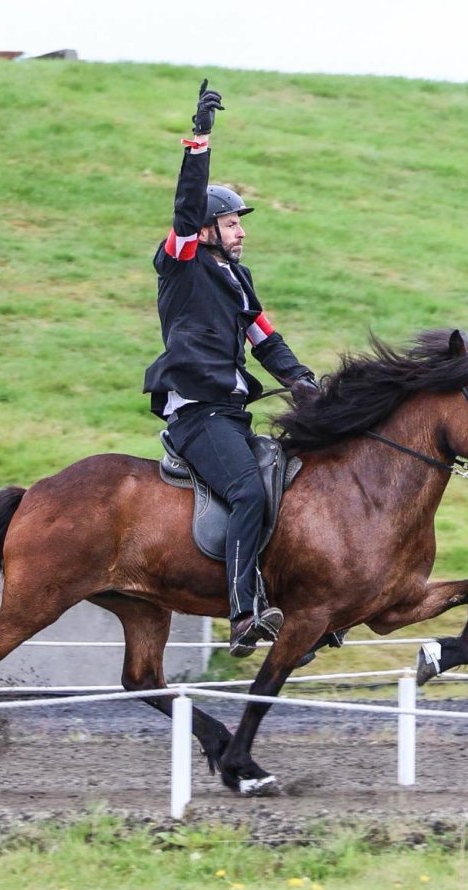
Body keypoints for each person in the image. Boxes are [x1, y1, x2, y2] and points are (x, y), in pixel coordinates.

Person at [144, 80, 318, 658]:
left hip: (232, 413)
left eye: (243, 223)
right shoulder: (183, 262)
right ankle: (243, 616)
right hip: (197, 413)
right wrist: (199, 142)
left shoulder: (238, 279)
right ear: (211, 230)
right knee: (248, 494)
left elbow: (267, 340)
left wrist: (301, 380)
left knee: (288, 487)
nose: (243, 231)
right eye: (235, 222)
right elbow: (186, 211)